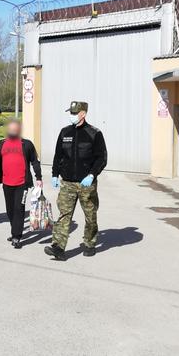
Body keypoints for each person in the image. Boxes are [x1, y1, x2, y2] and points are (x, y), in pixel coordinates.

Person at [44, 101, 107, 260]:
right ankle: (58, 247)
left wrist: (92, 175)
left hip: (86, 183)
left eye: (74, 113)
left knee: (90, 216)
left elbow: (101, 158)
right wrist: (54, 174)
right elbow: (58, 155)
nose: (71, 116)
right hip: (68, 183)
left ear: (83, 114)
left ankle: (89, 243)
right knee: (64, 215)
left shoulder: (94, 133)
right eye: (70, 113)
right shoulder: (65, 132)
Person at [0, 120, 42, 249]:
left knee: (19, 209)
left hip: (22, 183)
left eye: (15, 129)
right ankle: (14, 230)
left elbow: (35, 161)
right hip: (7, 183)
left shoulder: (26, 144)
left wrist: (39, 177)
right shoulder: (1, 144)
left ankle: (17, 236)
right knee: (10, 210)